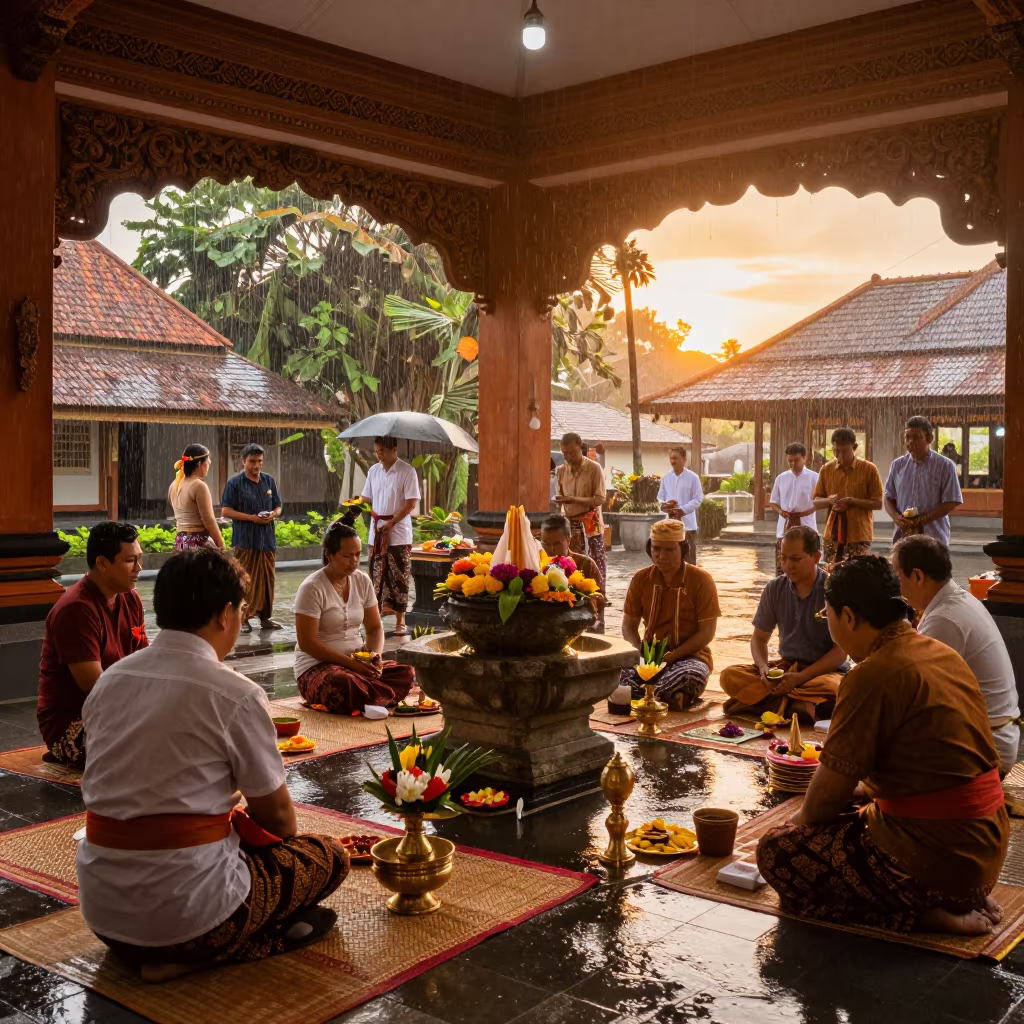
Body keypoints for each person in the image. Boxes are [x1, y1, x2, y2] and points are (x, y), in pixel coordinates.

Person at [77, 548, 348, 980]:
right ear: (226, 614)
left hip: (105, 916)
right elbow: (279, 819)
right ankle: (205, 952)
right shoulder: (233, 692)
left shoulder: (110, 681)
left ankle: (197, 947)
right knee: (328, 856)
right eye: (241, 612)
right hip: (191, 917)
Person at [757, 556, 1008, 938]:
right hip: (985, 852)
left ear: (849, 617)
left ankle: (923, 918)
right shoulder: (943, 654)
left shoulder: (871, 674)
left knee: (777, 852)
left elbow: (823, 801)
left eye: (828, 618)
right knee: (857, 807)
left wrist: (795, 826)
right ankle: (957, 896)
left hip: (939, 863)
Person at [893, 535, 1019, 775]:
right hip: (994, 736)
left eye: (898, 576)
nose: (898, 586)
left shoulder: (944, 618)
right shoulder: (955, 601)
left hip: (987, 748)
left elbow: (916, 695)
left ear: (918, 576)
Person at [37, 522, 147, 769]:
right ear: (102, 563)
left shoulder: (130, 598)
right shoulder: (76, 609)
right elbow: (98, 688)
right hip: (73, 724)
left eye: (139, 560)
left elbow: (146, 662)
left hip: (118, 709)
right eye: (130, 561)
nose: (139, 568)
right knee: (163, 740)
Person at [720, 526, 846, 722]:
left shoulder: (834, 590)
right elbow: (759, 639)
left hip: (822, 672)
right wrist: (763, 670)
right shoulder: (774, 588)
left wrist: (800, 677)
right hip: (787, 669)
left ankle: (767, 704)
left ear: (816, 556)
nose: (787, 565)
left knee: (835, 688)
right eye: (783, 557)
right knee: (729, 675)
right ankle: (797, 707)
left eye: (796, 559)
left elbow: (840, 652)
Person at [293, 522, 414, 713]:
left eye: (358, 554)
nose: (354, 560)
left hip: (358, 665)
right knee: (344, 683)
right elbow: (307, 642)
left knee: (405, 672)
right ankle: (374, 698)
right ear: (329, 555)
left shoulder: (362, 580)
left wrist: (375, 658)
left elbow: (374, 628)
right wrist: (351, 664)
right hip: (318, 668)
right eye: (347, 556)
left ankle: (366, 698)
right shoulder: (312, 587)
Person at [620, 519, 720, 710]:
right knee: (617, 678)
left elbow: (706, 633)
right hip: (649, 657)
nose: (661, 556)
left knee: (689, 676)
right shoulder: (640, 579)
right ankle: (667, 699)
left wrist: (672, 656)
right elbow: (628, 626)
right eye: (656, 549)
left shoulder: (702, 580)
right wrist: (638, 652)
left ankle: (659, 695)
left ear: (682, 549)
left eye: (669, 550)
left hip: (690, 657)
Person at [360, 436, 421, 637]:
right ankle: (374, 618)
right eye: (377, 452)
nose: (379, 456)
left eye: (383, 451)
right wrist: (353, 505)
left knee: (399, 576)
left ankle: (400, 621)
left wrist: (392, 522)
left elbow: (410, 503)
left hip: (399, 533)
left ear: (394, 449)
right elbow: (366, 498)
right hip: (376, 531)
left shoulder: (407, 471)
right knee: (376, 576)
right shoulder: (373, 471)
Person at [220, 443, 282, 633]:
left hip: (267, 540)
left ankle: (265, 617)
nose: (257, 466)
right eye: (252, 461)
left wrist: (272, 515)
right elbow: (226, 511)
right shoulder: (235, 483)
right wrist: (252, 519)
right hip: (245, 540)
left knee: (267, 579)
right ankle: (243, 618)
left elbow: (278, 506)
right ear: (243, 461)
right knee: (244, 579)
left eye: (260, 461)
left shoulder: (268, 481)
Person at [884, 416, 963, 545]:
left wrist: (923, 519)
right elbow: (888, 497)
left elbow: (952, 501)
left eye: (916, 437)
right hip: (903, 537)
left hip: (934, 537)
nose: (910, 442)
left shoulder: (945, 466)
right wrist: (896, 517)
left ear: (929, 439)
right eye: (907, 438)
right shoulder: (897, 465)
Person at [812, 427, 883, 564]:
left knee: (857, 575)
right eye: (835, 451)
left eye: (844, 451)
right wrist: (830, 501)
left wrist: (852, 501)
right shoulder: (826, 470)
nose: (839, 456)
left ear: (854, 447)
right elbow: (816, 501)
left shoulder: (869, 469)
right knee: (831, 574)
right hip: (832, 535)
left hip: (859, 535)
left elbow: (878, 503)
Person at [555, 432, 608, 603]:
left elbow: (600, 498)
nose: (568, 456)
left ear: (581, 448)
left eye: (572, 452)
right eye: (565, 453)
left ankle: (598, 599)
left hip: (591, 525)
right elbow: (559, 497)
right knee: (572, 563)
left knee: (595, 562)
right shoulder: (561, 471)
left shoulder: (594, 468)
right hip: (570, 524)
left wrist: (574, 499)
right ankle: (575, 598)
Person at [540, 515, 607, 630]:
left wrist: (585, 602)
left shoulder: (586, 564)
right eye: (545, 544)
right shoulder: (536, 565)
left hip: (579, 626)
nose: (550, 550)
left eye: (556, 544)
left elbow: (600, 599)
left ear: (568, 540)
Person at [768, 442, 818, 576]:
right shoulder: (781, 478)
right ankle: (782, 592)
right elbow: (773, 502)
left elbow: (819, 502)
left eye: (796, 460)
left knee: (806, 566)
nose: (793, 464)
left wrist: (803, 513)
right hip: (785, 525)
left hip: (806, 525)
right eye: (790, 461)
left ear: (804, 458)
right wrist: (781, 512)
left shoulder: (815, 477)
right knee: (782, 566)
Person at [168, 443, 225, 551]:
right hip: (197, 542)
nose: (209, 464)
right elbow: (209, 521)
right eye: (207, 462)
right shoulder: (199, 486)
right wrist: (220, 544)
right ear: (199, 463)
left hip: (180, 542)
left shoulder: (174, 484)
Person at [657, 445, 704, 566]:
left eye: (676, 458)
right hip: (670, 527)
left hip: (688, 527)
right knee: (671, 561)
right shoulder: (666, 477)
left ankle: (689, 585)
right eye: (671, 458)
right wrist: (664, 505)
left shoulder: (693, 478)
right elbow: (660, 497)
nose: (673, 461)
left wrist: (682, 510)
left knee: (689, 562)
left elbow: (698, 499)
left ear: (684, 460)